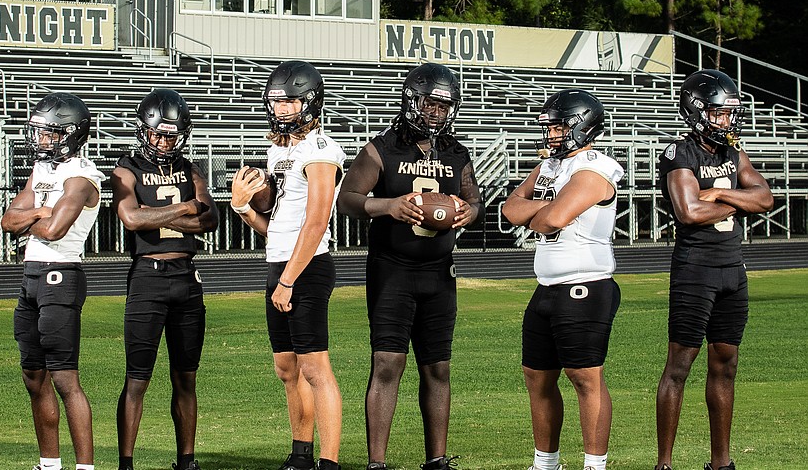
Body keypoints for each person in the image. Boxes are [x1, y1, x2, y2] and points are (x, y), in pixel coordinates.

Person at [337, 62, 483, 470]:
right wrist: (390, 206)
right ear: (410, 100)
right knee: (387, 362)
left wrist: (466, 213)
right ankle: (377, 463)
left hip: (440, 272)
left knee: (437, 366)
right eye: (430, 104)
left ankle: (436, 459)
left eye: (443, 105)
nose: (436, 112)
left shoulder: (456, 152)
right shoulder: (381, 148)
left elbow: (475, 201)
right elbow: (348, 198)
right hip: (392, 270)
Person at [654, 70, 773, 470]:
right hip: (695, 271)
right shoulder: (679, 152)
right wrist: (741, 201)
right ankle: (664, 463)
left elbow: (766, 198)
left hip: (731, 271)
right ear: (697, 111)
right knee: (680, 366)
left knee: (726, 364)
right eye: (719, 114)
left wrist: (722, 193)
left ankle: (721, 463)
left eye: (729, 114)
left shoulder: (732, 154)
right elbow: (689, 212)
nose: (726, 122)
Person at [231, 61, 345, 470]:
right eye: (277, 101)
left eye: (291, 101)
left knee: (315, 367)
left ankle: (328, 462)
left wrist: (288, 280)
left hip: (306, 269)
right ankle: (301, 455)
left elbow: (316, 223)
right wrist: (243, 208)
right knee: (287, 367)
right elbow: (276, 227)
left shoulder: (321, 152)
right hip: (281, 263)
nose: (282, 109)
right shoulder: (280, 152)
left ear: (310, 102)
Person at [501, 89, 624, 470]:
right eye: (550, 127)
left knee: (584, 377)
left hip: (586, 283)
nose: (552, 134)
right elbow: (509, 209)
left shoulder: (595, 168)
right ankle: (545, 463)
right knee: (536, 377)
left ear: (583, 127)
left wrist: (540, 212)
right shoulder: (549, 168)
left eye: (559, 127)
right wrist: (547, 207)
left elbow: (551, 221)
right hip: (547, 287)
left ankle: (594, 465)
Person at [111, 88, 218, 470]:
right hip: (148, 279)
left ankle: (186, 461)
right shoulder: (126, 169)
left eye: (170, 135)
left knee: (186, 377)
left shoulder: (191, 169)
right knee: (138, 378)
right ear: (144, 131)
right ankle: (126, 463)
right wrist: (184, 208)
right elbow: (131, 219)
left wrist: (160, 213)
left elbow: (210, 218)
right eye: (156, 134)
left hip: (187, 278)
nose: (162, 141)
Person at [1, 92, 105, 470]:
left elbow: (56, 229)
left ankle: (85, 468)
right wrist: (42, 210)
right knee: (33, 375)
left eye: (50, 134)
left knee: (65, 379)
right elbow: (8, 222)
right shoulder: (42, 171)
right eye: (40, 133)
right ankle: (49, 464)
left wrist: (38, 214)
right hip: (31, 275)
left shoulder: (81, 177)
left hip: (61, 276)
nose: (41, 140)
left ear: (71, 134)